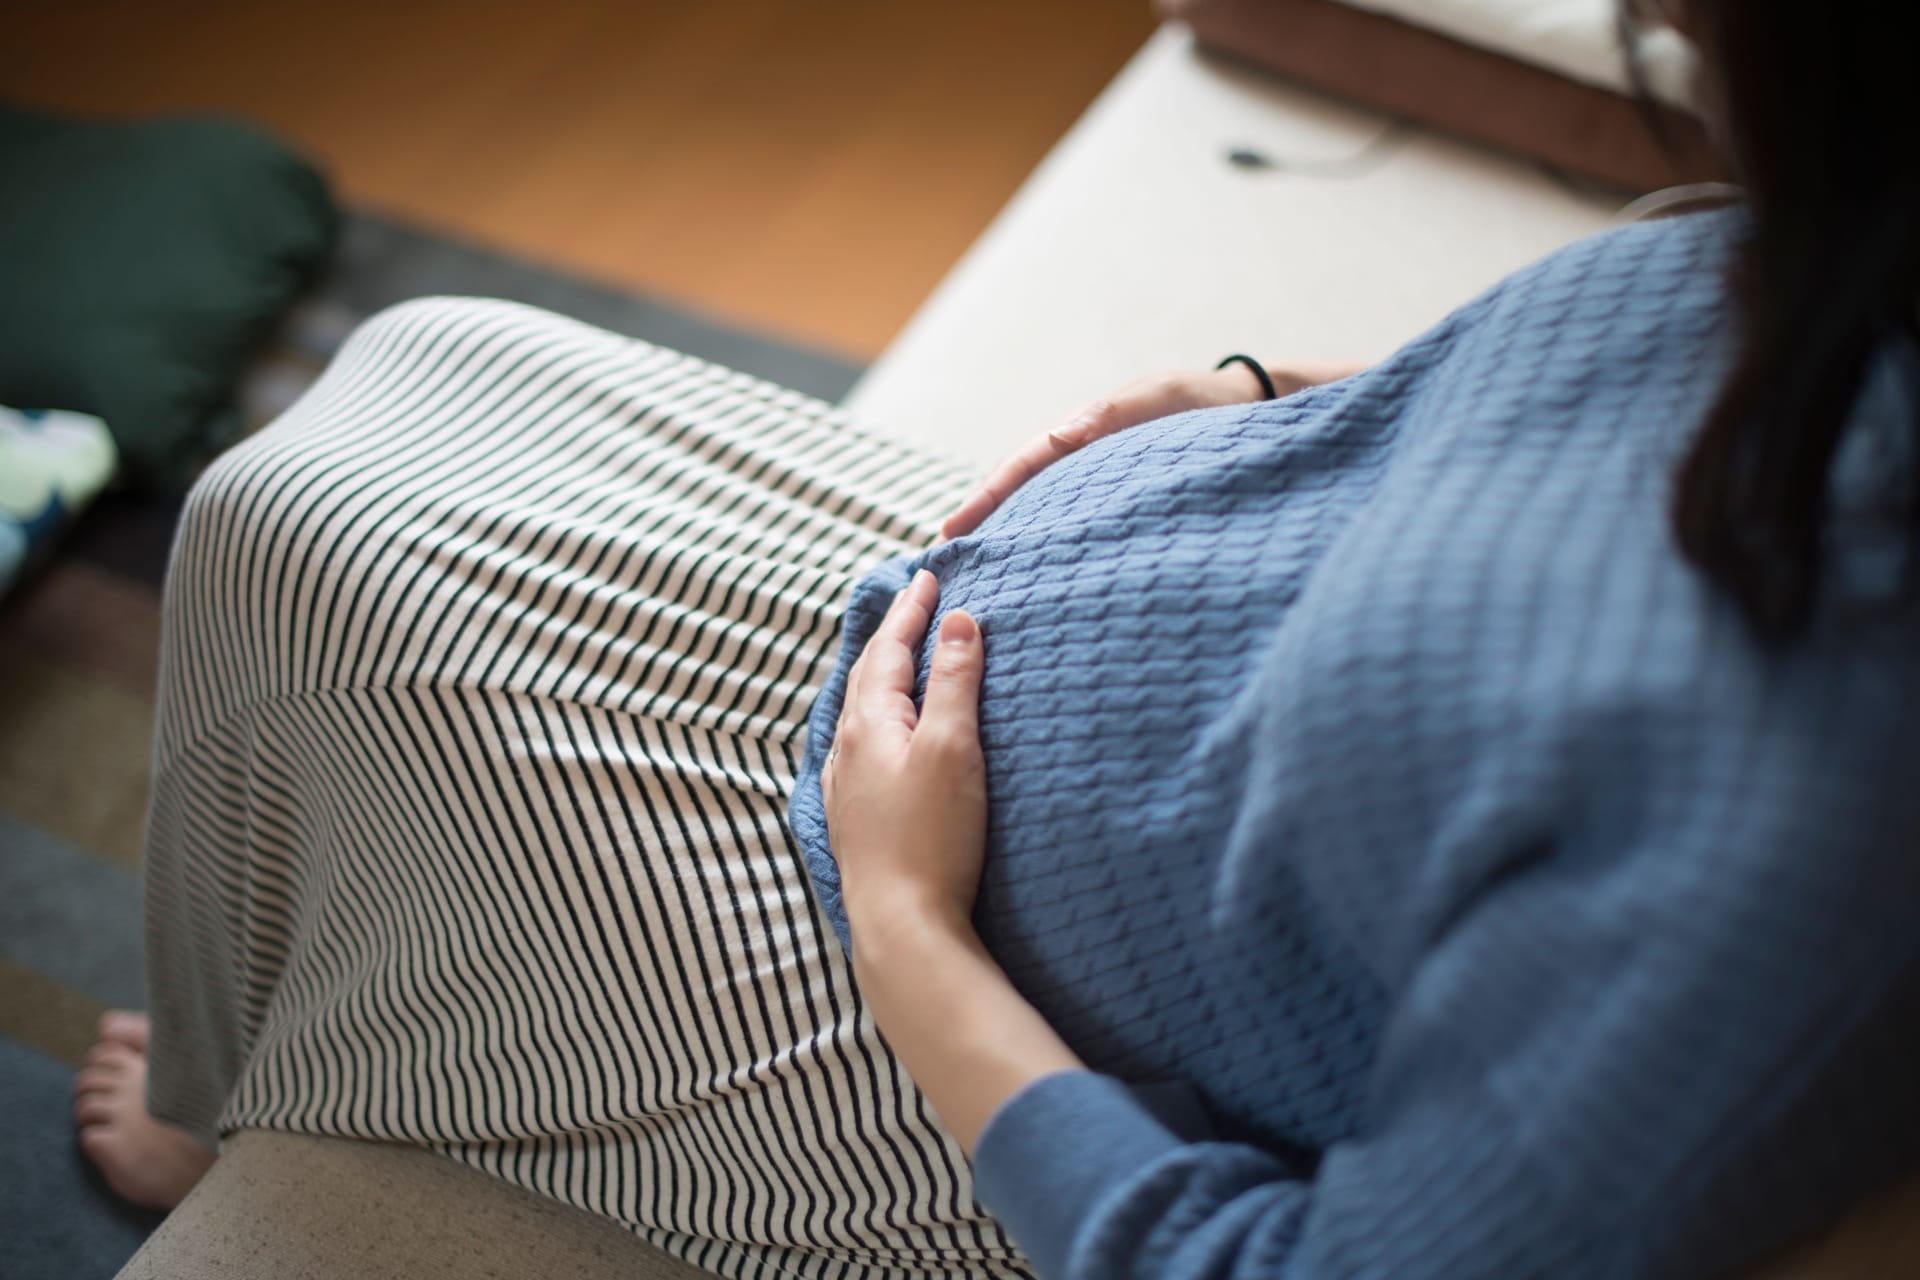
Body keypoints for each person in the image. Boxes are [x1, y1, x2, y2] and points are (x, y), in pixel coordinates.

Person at [76, 1, 1918, 1276]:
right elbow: (1649, 349)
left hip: (977, 1004)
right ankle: (236, 1055)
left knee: (306, 559)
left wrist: (907, 923)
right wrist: (1286, 397)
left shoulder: (1802, 854)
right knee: (396, 399)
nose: (1660, 42)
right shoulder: (1855, 277)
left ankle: (218, 1104)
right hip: (970, 659)